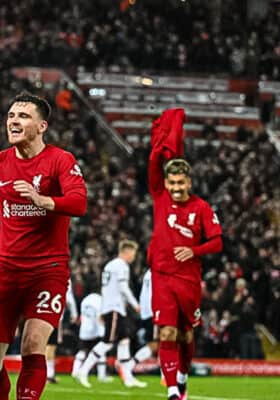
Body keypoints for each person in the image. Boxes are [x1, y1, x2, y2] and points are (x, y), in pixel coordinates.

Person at [0, 92, 87, 400]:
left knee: (33, 344)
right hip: (6, 271)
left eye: (23, 116)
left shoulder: (60, 160)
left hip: (48, 270)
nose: (14, 121)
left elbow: (79, 203)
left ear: (42, 126)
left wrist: (43, 200)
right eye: (11, 115)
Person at [148, 108, 223, 400]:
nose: (177, 188)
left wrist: (193, 250)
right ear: (166, 184)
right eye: (172, 183)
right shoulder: (159, 196)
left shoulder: (201, 208)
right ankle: (172, 392)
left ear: (189, 182)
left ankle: (182, 375)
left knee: (186, 335)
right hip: (162, 275)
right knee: (166, 333)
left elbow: (217, 242)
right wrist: (158, 144)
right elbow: (154, 163)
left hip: (189, 279)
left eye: (181, 183)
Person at [75, 240, 146, 389]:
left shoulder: (110, 265)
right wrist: (135, 304)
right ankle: (83, 372)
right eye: (133, 253)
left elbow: (106, 289)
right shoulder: (121, 265)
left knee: (124, 341)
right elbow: (123, 287)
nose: (133, 257)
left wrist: (103, 309)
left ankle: (128, 378)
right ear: (126, 251)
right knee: (107, 342)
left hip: (113, 308)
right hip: (114, 308)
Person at [124, 268, 161, 380]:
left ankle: (165, 372)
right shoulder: (159, 271)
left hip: (147, 312)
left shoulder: (149, 272)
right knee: (155, 344)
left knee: (163, 342)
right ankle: (129, 365)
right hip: (155, 311)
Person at [71, 292, 111, 384]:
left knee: (82, 351)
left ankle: (75, 371)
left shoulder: (85, 300)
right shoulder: (100, 300)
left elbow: (82, 315)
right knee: (101, 352)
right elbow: (100, 317)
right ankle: (102, 376)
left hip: (84, 330)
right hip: (96, 330)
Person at [46, 279, 78, 384]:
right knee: (51, 346)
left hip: (40, 314)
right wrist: (74, 313)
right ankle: (48, 375)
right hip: (55, 315)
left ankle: (42, 374)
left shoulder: (43, 272)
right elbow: (69, 298)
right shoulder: (63, 275)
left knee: (42, 346)